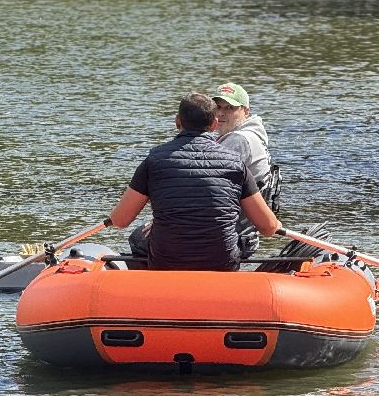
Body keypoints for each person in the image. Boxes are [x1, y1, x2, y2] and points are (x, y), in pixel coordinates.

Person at [109, 92, 281, 271]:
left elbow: (120, 221)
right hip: (222, 263)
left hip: (166, 262)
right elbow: (268, 227)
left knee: (137, 238)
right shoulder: (235, 163)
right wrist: (277, 225)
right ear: (213, 124)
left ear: (177, 121)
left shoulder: (153, 160)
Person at [212, 82, 274, 259]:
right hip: (245, 231)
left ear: (246, 112)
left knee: (140, 238)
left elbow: (209, 188)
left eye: (230, 108)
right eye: (218, 107)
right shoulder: (250, 135)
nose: (221, 113)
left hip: (230, 234)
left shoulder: (238, 141)